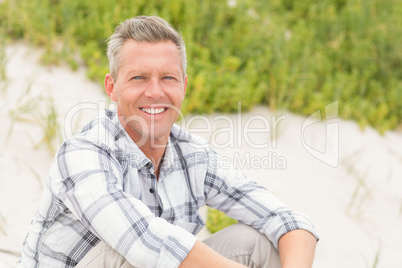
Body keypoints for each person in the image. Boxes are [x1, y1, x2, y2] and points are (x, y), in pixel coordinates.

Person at [19, 16, 318, 268]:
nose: (155, 92)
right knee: (128, 254)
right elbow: (143, 239)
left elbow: (287, 219)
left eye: (168, 78)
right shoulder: (83, 152)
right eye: (138, 78)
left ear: (184, 86)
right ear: (112, 87)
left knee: (260, 242)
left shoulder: (193, 155)